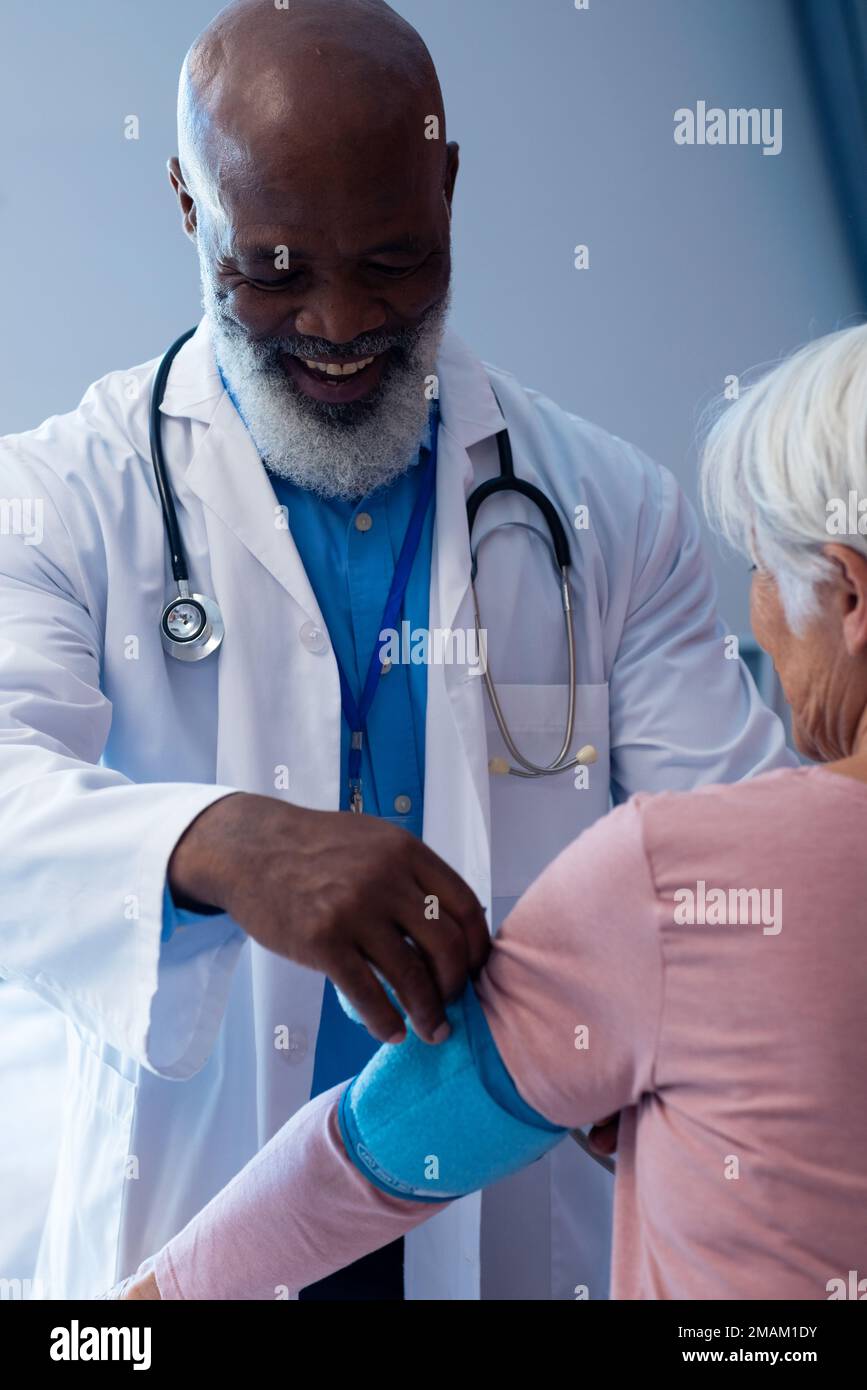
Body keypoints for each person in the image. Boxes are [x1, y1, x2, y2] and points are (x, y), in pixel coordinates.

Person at [0, 0, 789, 1301]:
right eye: (271, 267)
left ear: (450, 188)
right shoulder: (61, 496)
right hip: (186, 1224)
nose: (336, 319)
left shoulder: (607, 505)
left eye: (393, 260)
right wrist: (216, 840)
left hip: (515, 1221)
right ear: (187, 209)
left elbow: (731, 860)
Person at [118, 323, 867, 1302]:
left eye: (764, 569)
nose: (759, 608)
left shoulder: (683, 879)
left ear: (849, 591)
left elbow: (371, 1158)